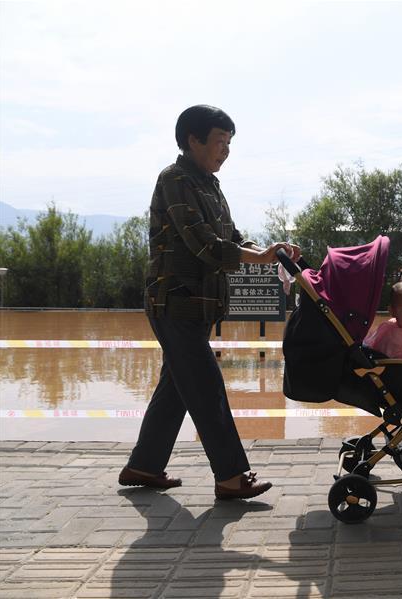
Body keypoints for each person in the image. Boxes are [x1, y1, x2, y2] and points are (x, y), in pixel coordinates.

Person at [119, 105, 300, 500]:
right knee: (206, 387)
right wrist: (258, 257)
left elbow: (232, 238)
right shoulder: (175, 180)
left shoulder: (209, 185)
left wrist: (269, 251)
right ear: (193, 140)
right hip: (175, 303)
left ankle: (144, 465)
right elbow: (203, 245)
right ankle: (231, 475)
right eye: (220, 141)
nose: (226, 150)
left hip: (200, 306)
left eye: (229, 143)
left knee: (177, 387)